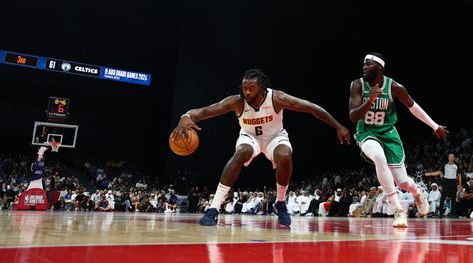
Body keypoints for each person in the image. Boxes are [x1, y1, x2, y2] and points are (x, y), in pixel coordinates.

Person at [172, 68, 350, 228]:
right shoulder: (237, 102)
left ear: (263, 88)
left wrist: (338, 126)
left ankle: (280, 203)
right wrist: (185, 116)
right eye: (244, 88)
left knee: (285, 155)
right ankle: (214, 208)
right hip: (250, 137)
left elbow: (311, 108)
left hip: (275, 137)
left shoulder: (277, 98)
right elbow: (205, 111)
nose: (246, 92)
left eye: (251, 88)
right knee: (241, 153)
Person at [349, 52, 448, 227]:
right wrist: (370, 100)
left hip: (388, 134)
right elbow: (353, 117)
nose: (364, 67)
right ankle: (398, 211)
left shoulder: (394, 87)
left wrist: (434, 126)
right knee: (379, 157)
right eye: (363, 64)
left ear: (379, 67)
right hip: (367, 132)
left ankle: (417, 193)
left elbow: (414, 107)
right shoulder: (357, 85)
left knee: (403, 182)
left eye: (368, 64)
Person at [425, 153, 460, 218]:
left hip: (454, 181)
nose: (451, 158)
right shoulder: (444, 165)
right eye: (450, 157)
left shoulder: (456, 165)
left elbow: (459, 175)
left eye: (452, 157)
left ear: (454, 158)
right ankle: (440, 213)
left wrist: (460, 184)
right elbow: (438, 172)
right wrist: (430, 174)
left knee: (453, 198)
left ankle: (452, 213)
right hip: (446, 181)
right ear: (448, 158)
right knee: (443, 197)